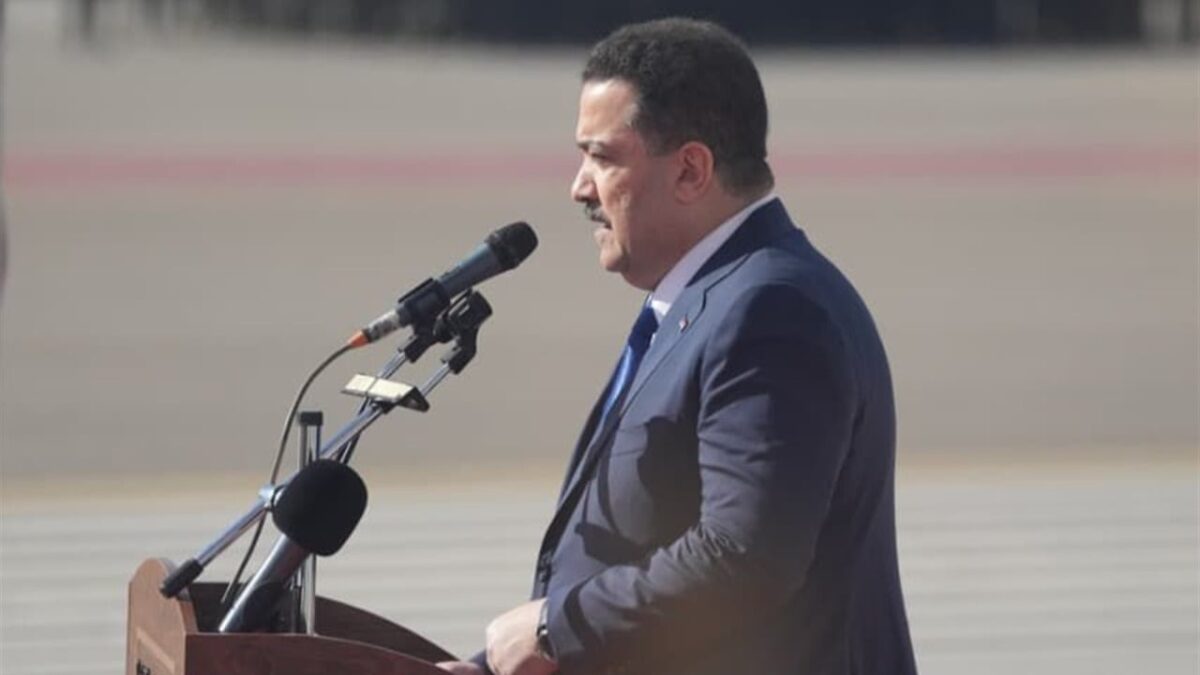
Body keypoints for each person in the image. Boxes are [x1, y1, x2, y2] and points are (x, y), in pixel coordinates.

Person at [439, 17, 917, 675]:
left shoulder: (770, 312)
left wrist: (554, 628)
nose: (579, 186)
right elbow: (638, 545)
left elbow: (745, 558)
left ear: (691, 170)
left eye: (603, 157)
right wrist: (493, 664)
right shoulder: (710, 300)